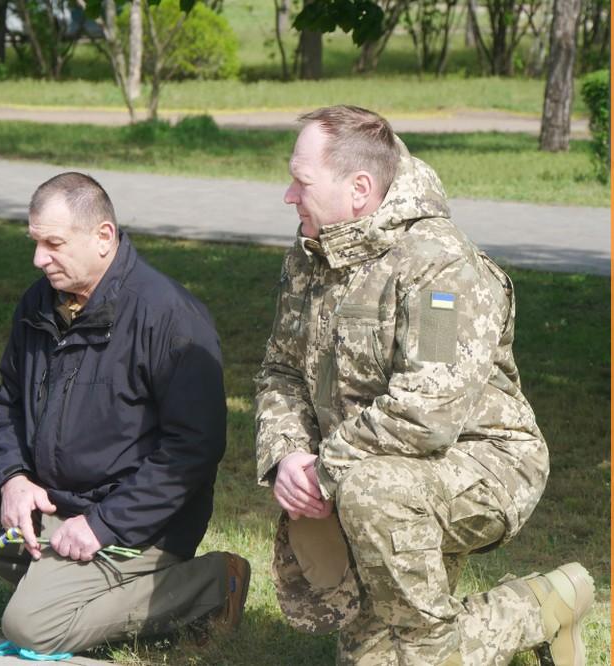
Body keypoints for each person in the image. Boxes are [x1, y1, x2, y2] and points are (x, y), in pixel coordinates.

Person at [254, 106, 594, 665]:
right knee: (372, 654)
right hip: (370, 472)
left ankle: (516, 616)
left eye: (301, 180)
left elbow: (427, 411)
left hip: (481, 464)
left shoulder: (440, 266)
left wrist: (325, 465)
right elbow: (280, 370)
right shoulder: (311, 255)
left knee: (374, 501)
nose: (289, 195)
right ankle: (547, 607)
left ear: (359, 188)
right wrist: (288, 455)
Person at [0, 172, 250, 656]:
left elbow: (193, 452)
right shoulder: (40, 300)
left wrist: (103, 525)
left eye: (53, 243)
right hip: (59, 498)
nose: (38, 259)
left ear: (103, 237)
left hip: (143, 524)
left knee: (31, 628)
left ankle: (210, 584)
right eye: (35, 242)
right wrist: (13, 477)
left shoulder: (171, 318)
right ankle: (60, 580)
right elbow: (9, 400)